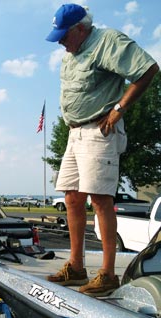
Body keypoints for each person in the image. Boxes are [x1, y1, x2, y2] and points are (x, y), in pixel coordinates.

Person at [45, 3, 159, 296]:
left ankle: (108, 274)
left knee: (99, 199)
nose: (60, 41)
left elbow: (147, 69)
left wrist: (119, 109)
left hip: (100, 130)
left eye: (63, 35)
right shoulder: (71, 54)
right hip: (74, 133)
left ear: (80, 29)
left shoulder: (107, 41)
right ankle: (76, 266)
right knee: (71, 197)